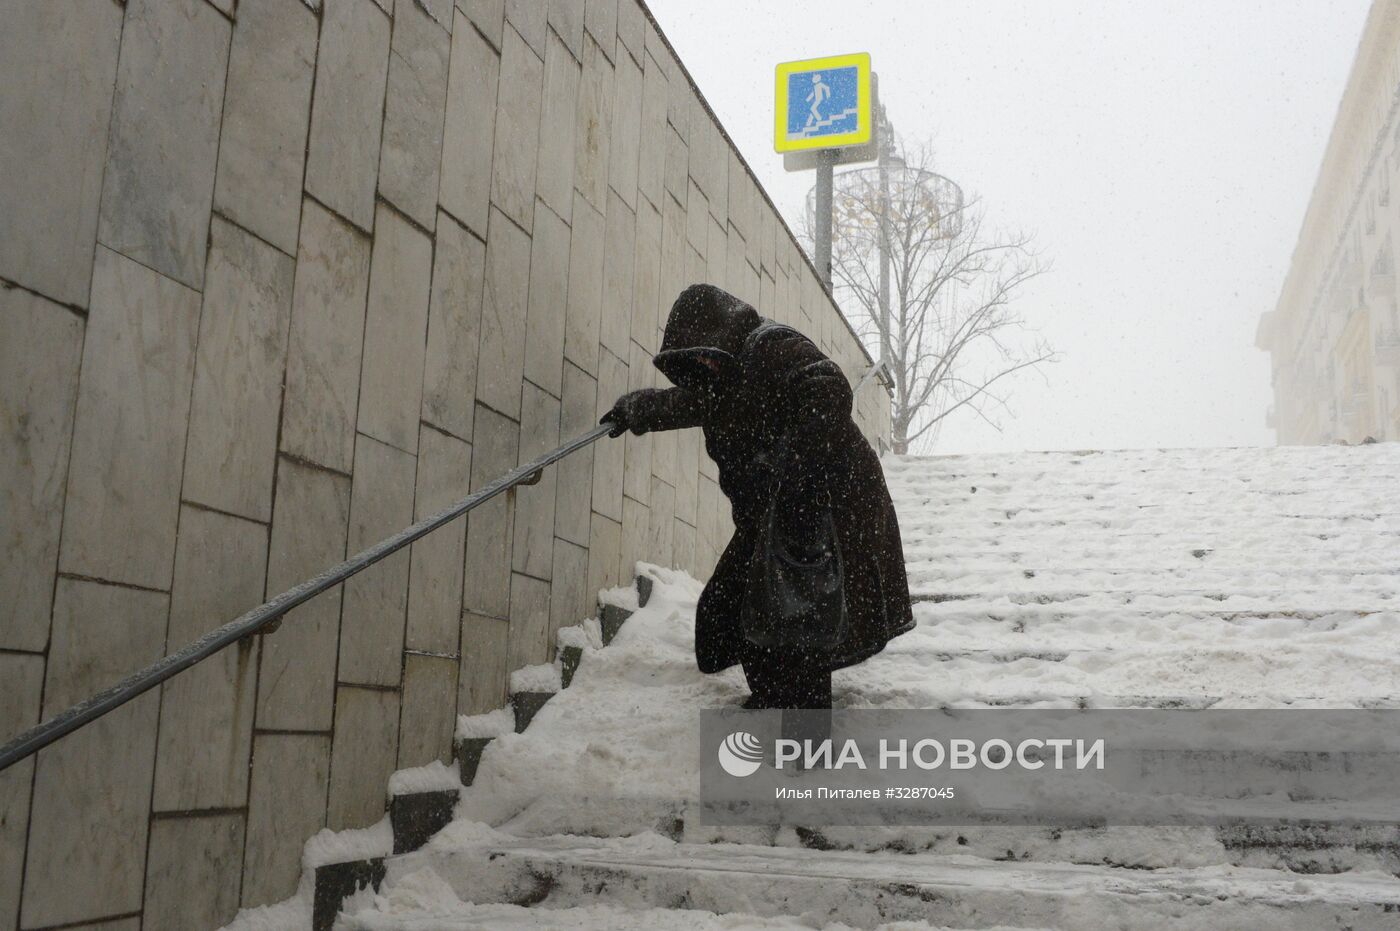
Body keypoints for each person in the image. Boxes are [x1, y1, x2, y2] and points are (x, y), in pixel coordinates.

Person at [601, 284, 914, 710]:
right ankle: (774, 695)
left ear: (723, 338)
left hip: (826, 508)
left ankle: (801, 717)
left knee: (797, 611)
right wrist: (638, 409)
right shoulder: (721, 379)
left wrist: (797, 472)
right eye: (696, 361)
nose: (705, 365)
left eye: (708, 354)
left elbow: (829, 386)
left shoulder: (772, 347)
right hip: (780, 513)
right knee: (739, 606)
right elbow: (689, 403)